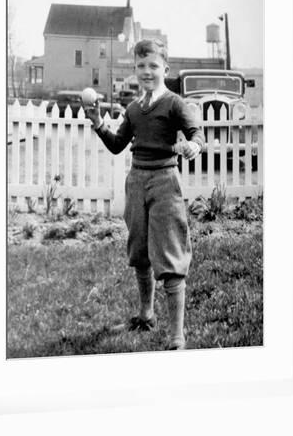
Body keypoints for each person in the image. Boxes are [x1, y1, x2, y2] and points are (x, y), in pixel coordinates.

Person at [84, 39, 205, 350]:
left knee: (170, 256)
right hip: (136, 181)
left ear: (166, 68)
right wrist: (98, 122)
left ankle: (176, 336)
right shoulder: (134, 109)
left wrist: (193, 145)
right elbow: (116, 145)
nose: (147, 71)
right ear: (134, 69)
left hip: (165, 181)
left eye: (153, 65)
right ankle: (146, 315)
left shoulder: (175, 103)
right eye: (141, 66)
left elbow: (197, 134)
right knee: (139, 252)